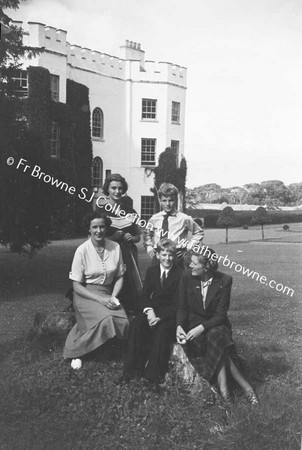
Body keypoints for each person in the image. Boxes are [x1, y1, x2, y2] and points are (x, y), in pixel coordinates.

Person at [176, 248, 259, 404]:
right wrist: (179, 326)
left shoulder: (225, 280)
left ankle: (225, 391)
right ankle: (245, 387)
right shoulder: (187, 276)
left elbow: (221, 315)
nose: (190, 266)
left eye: (194, 263)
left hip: (216, 323)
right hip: (193, 324)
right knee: (219, 344)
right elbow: (182, 307)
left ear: (206, 266)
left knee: (216, 335)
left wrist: (201, 328)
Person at [63, 211, 129, 369]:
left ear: (107, 228)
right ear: (89, 229)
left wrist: (112, 297)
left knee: (123, 321)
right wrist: (101, 300)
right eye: (95, 227)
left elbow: (120, 276)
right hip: (85, 294)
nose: (99, 231)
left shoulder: (115, 247)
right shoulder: (82, 250)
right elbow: (76, 286)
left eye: (102, 227)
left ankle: (105, 350)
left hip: (108, 292)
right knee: (107, 319)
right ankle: (77, 351)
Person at [119, 239, 183, 385]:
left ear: (175, 256)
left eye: (171, 255)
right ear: (158, 255)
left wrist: (160, 317)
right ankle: (130, 371)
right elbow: (145, 295)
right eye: (164, 254)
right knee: (136, 324)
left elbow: (178, 303)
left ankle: (152, 376)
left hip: (169, 314)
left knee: (162, 331)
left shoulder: (180, 274)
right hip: (153, 311)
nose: (167, 258)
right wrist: (149, 312)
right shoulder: (152, 271)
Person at [98, 173, 142, 314]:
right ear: (108, 189)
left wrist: (132, 237)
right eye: (114, 188)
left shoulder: (130, 212)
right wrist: (112, 237)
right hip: (108, 253)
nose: (117, 191)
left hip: (128, 253)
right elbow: (94, 238)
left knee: (129, 284)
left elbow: (138, 237)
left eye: (120, 188)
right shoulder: (101, 212)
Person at [144, 182, 204, 265]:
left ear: (176, 200)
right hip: (159, 256)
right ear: (160, 201)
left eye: (171, 200)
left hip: (177, 256)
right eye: (164, 200)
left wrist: (188, 247)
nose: (167, 204)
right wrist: (149, 247)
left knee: (177, 277)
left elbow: (199, 232)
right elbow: (147, 233)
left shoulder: (184, 218)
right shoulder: (154, 218)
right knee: (156, 276)